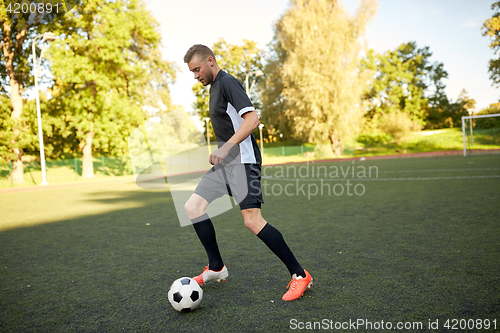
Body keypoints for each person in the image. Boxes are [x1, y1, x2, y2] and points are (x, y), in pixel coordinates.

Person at [183, 44, 312, 301]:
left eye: (197, 69)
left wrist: (226, 148)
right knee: (193, 207)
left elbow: (252, 119)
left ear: (210, 61)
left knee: (252, 221)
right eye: (192, 72)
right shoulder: (214, 89)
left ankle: (300, 275)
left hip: (243, 162)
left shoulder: (228, 82)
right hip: (225, 165)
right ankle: (217, 267)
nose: (195, 75)